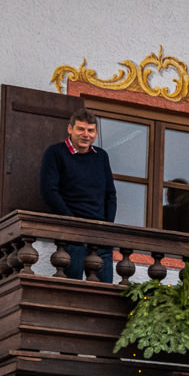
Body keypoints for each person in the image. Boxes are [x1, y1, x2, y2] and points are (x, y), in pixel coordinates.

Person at [38, 108, 116, 281]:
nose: (85, 135)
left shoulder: (101, 156)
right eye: (81, 129)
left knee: (104, 288)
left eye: (90, 130)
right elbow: (49, 191)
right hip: (71, 231)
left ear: (96, 134)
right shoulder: (55, 153)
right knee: (72, 285)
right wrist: (70, 220)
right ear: (70, 129)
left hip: (100, 231)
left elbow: (110, 195)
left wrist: (108, 226)